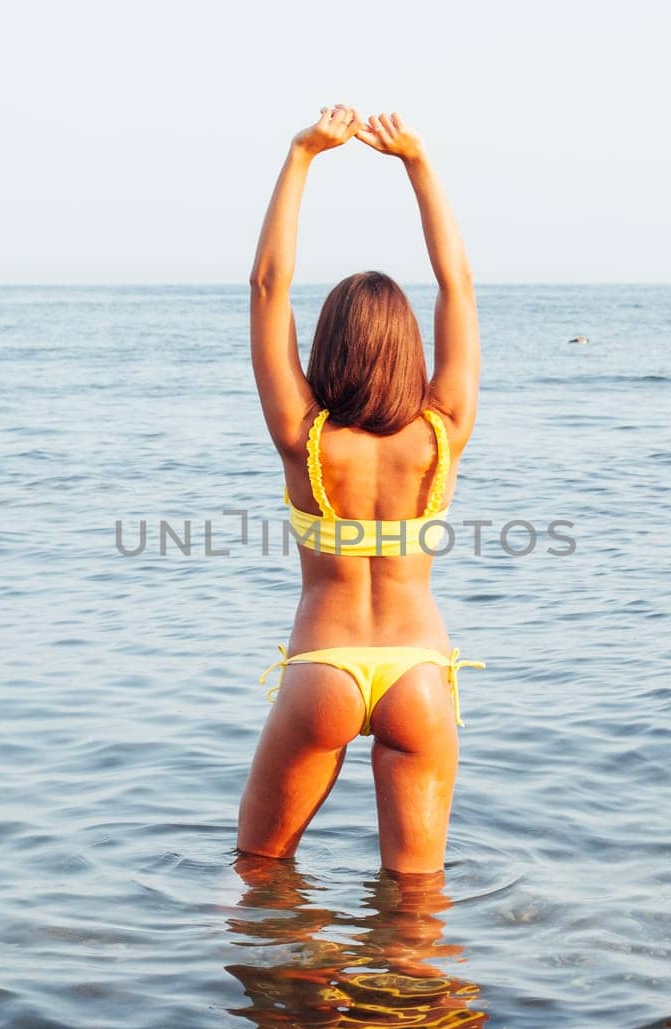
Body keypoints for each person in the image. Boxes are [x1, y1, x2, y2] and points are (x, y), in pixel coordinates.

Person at [236, 105, 483, 874]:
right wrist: (417, 161)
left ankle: (293, 996)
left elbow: (267, 285)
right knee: (416, 906)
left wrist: (303, 154)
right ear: (409, 348)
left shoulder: (304, 436)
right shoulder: (442, 431)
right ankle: (416, 994)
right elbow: (459, 286)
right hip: (417, 673)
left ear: (328, 345)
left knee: (261, 877)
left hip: (325, 669)